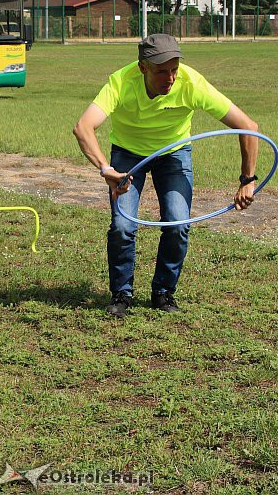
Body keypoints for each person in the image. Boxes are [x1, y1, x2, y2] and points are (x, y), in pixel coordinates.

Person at [72, 34, 259, 317]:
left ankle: (163, 293)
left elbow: (247, 126)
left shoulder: (191, 83)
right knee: (123, 225)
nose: (170, 78)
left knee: (177, 222)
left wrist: (248, 179)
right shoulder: (121, 82)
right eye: (161, 71)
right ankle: (121, 294)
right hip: (128, 155)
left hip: (174, 154)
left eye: (174, 69)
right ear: (142, 68)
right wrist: (105, 169)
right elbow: (83, 128)